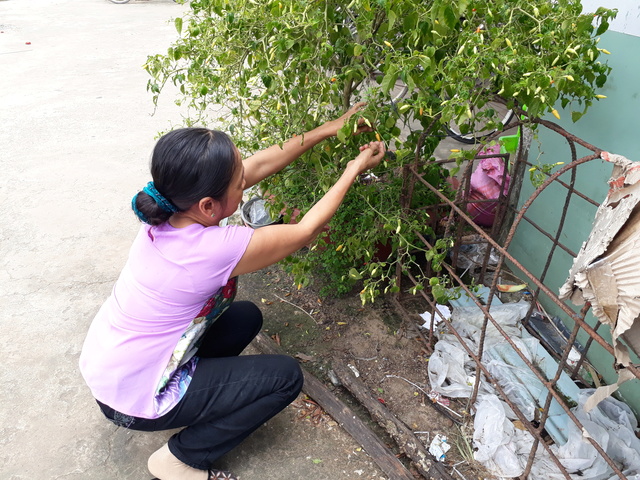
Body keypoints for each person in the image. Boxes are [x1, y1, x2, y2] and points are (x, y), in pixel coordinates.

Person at [78, 103, 385, 480]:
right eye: (239, 184)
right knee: (286, 377)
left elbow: (256, 165)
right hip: (132, 398)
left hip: (116, 367)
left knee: (245, 317)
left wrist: (328, 129)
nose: (246, 182)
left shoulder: (168, 209)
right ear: (208, 206)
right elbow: (305, 231)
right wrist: (354, 168)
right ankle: (181, 459)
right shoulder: (210, 249)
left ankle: (195, 400)